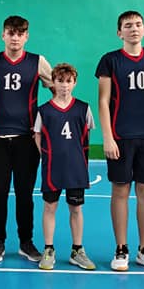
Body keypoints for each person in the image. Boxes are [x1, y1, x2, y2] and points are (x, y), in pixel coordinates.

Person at [95, 10, 144, 272]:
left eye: (138, 24)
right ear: (120, 33)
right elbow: (103, 101)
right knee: (120, 191)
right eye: (128, 25)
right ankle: (121, 248)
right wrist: (107, 137)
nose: (134, 29)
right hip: (121, 136)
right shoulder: (110, 60)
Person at [0, 15, 52, 263]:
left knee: (24, 193)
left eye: (20, 33)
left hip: (26, 139)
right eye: (11, 32)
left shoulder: (38, 62)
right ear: (3, 35)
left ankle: (26, 242)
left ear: (26, 36)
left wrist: (44, 125)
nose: (15, 37)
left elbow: (58, 90)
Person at [33, 63, 96, 271]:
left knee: (76, 208)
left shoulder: (83, 108)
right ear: (53, 82)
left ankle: (77, 250)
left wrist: (77, 157)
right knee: (49, 207)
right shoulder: (44, 110)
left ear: (75, 83)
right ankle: (48, 249)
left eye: (69, 81)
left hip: (76, 168)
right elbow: (38, 135)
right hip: (53, 167)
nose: (64, 85)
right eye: (60, 81)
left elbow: (86, 136)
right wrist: (48, 155)